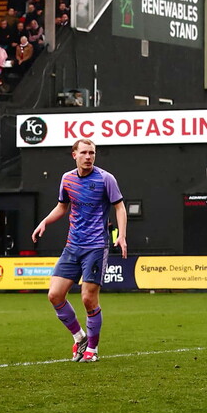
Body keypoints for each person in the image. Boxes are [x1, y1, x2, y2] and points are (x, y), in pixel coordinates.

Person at [32, 139, 128, 363]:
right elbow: (62, 207)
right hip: (72, 245)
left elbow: (120, 207)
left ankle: (92, 350)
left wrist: (121, 235)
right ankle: (80, 337)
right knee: (54, 295)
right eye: (84, 152)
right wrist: (44, 222)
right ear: (74, 155)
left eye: (92, 153)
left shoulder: (106, 179)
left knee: (88, 298)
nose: (89, 156)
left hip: (95, 245)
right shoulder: (67, 179)